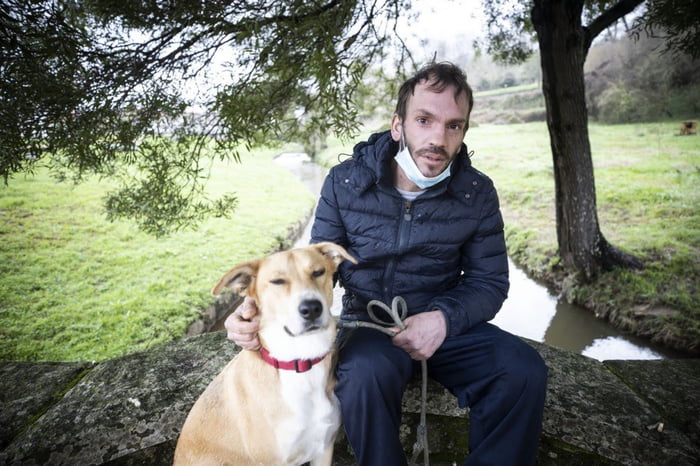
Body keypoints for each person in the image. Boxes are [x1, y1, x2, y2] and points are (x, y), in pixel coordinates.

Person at [225, 61, 548, 465]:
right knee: (361, 377)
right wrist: (254, 307)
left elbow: (490, 282)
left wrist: (442, 319)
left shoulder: (476, 193)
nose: (438, 138)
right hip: (370, 323)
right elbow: (310, 268)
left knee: (523, 372)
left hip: (445, 319)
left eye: (454, 126)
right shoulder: (345, 182)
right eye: (424, 120)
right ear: (398, 125)